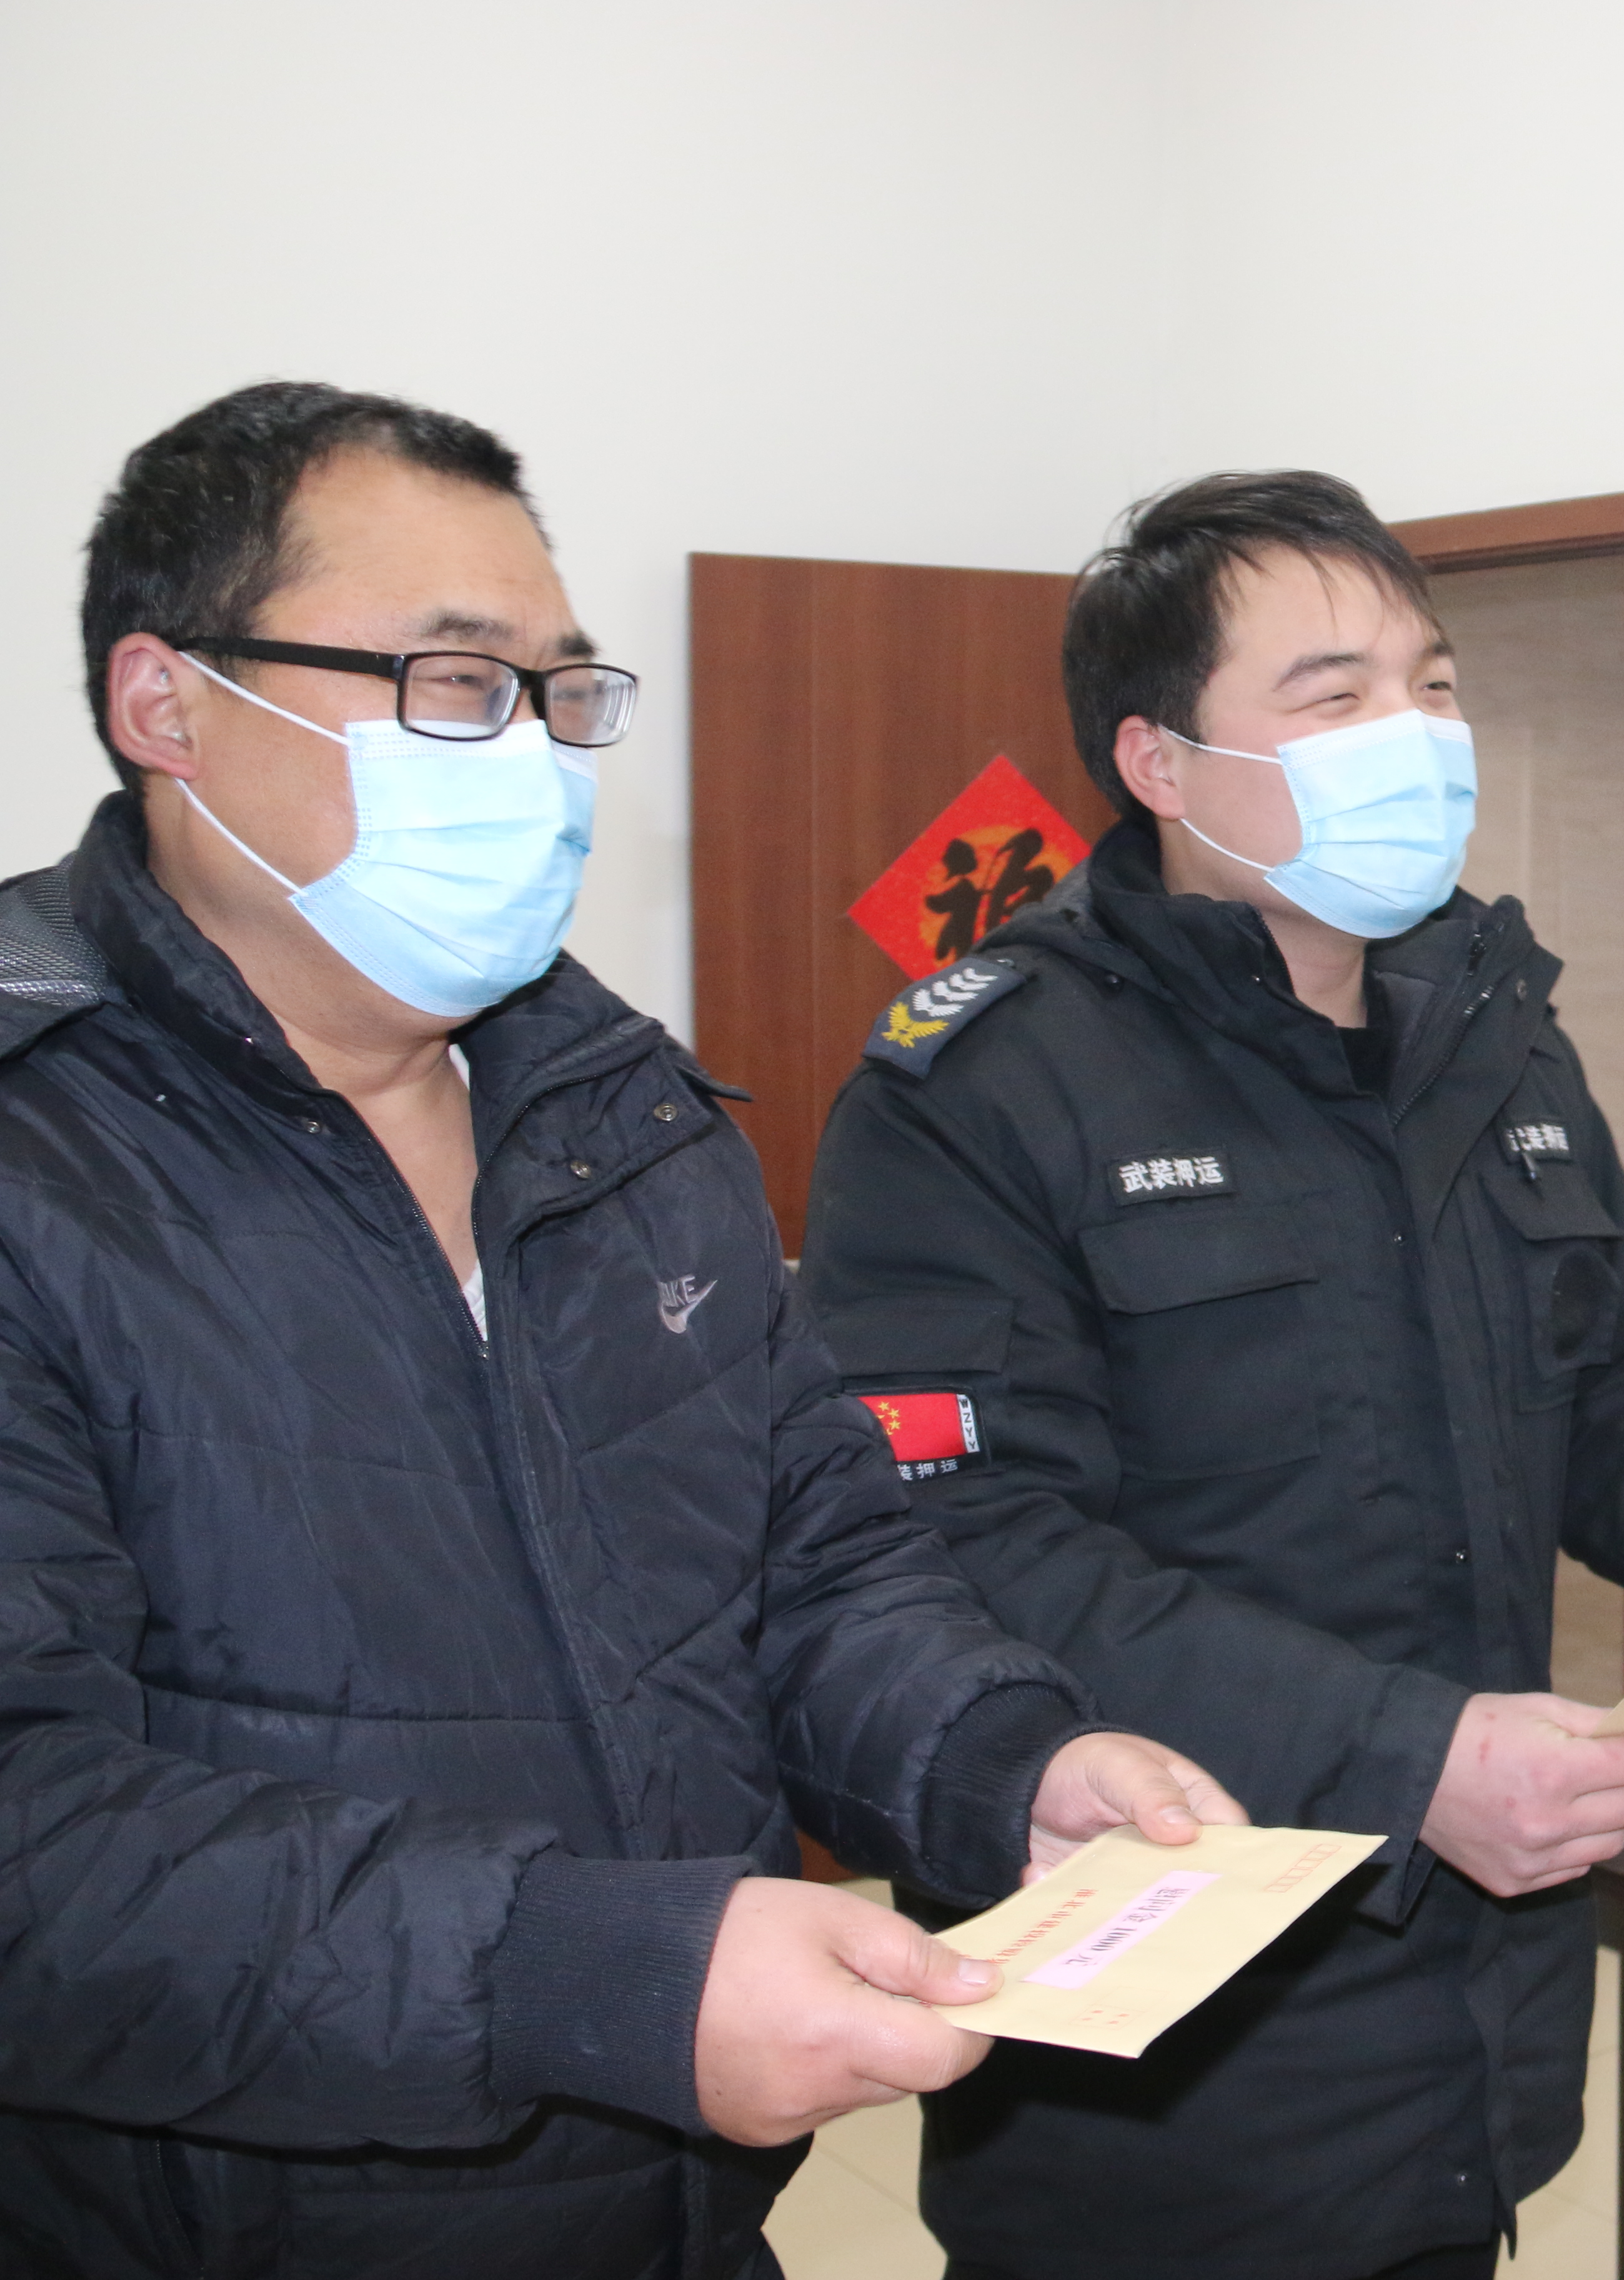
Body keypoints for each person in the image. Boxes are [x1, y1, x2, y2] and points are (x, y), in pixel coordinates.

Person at [0, 382, 1238, 2280]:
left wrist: (999, 1766)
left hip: (679, 2212)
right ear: (166, 703)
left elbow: (812, 1561)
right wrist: (587, 1975)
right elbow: (36, 1831)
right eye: (451, 682)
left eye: (559, 692)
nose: (529, 754)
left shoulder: (621, 1114)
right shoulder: (41, 1156)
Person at [800, 470, 1624, 2279]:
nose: (1417, 733)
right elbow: (966, 1548)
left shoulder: (1488, 1028)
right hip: (1173, 2055)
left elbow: (1611, 1363)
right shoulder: (988, 1084)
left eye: (1432, 683)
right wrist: (1411, 1756)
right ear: (1159, 763)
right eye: (1336, 695)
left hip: (1479, 2017)